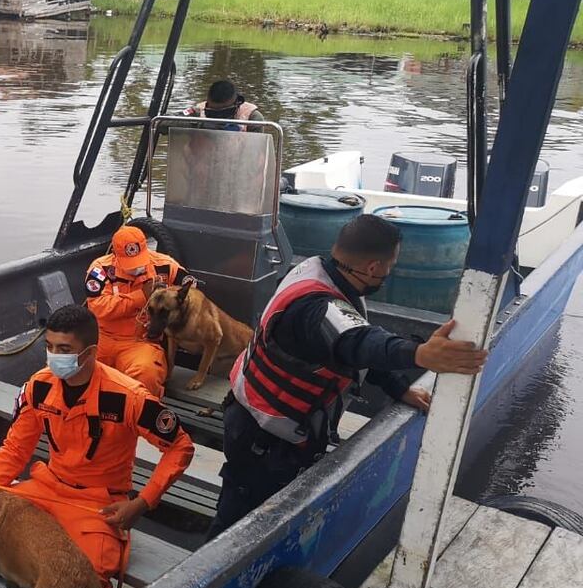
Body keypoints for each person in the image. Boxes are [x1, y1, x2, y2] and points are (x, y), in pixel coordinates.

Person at [207, 214, 489, 539]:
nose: (388, 272)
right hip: (264, 440)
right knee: (234, 523)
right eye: (390, 265)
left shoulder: (317, 273)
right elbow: (356, 340)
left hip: (260, 421)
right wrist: (419, 354)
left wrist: (398, 387)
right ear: (373, 268)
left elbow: (347, 349)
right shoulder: (317, 307)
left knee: (263, 510)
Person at [0, 304, 195, 588]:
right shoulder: (38, 387)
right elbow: (15, 448)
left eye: (64, 349)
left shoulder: (127, 397)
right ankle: (26, 580)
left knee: (89, 578)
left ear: (90, 351)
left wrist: (141, 503)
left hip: (97, 503)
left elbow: (180, 446)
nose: (54, 357)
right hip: (47, 488)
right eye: (49, 347)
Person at [85, 223, 189, 397]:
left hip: (141, 341)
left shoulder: (165, 266)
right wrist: (141, 296)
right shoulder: (100, 270)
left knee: (146, 374)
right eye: (129, 263)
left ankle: (136, 416)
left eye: (138, 260)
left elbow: (191, 291)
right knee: (78, 370)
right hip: (103, 339)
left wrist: (166, 314)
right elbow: (98, 307)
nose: (135, 268)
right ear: (115, 255)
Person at [185, 80, 264, 132]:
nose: (219, 118)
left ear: (237, 103)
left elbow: (258, 151)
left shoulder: (253, 117)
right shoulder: (197, 112)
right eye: (212, 113)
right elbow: (174, 122)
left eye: (224, 113)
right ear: (207, 103)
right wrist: (200, 126)